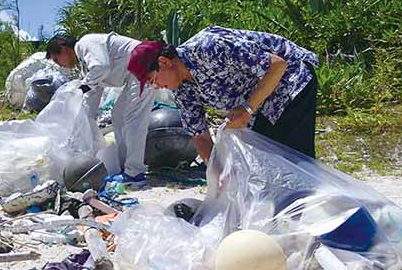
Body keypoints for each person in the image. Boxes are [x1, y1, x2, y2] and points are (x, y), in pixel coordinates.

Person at [126, 26, 319, 160]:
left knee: (295, 157)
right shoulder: (183, 92)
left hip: (291, 82)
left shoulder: (209, 47)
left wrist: (246, 110)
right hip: (260, 104)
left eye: (153, 80)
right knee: (267, 163)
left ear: (164, 62)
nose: (156, 87)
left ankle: (312, 212)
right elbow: (200, 136)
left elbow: (277, 65)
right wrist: (217, 173)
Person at [46, 33, 155, 186]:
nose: (59, 65)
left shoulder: (85, 43)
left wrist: (82, 88)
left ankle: (135, 172)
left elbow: (101, 68)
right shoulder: (86, 65)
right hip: (135, 74)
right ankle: (126, 166)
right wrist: (82, 123)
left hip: (146, 66)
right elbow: (92, 95)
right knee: (118, 115)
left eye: (57, 59)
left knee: (133, 118)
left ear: (63, 49)